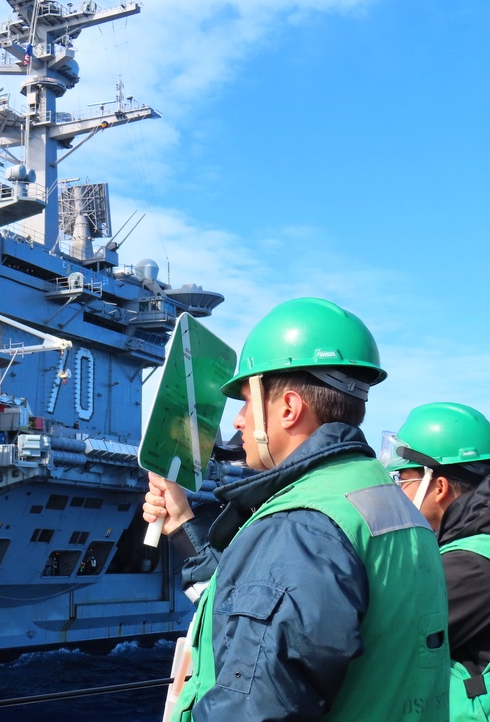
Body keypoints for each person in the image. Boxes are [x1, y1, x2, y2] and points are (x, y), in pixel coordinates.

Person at [143, 297, 450, 720]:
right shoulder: (385, 501)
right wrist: (182, 523)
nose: (238, 421)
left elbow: (255, 707)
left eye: (247, 401)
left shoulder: (301, 524)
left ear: (288, 408)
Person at [386, 402, 490, 720]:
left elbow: (391, 641)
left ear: (439, 487)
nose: (398, 493)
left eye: (402, 481)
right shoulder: (479, 540)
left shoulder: (472, 565)